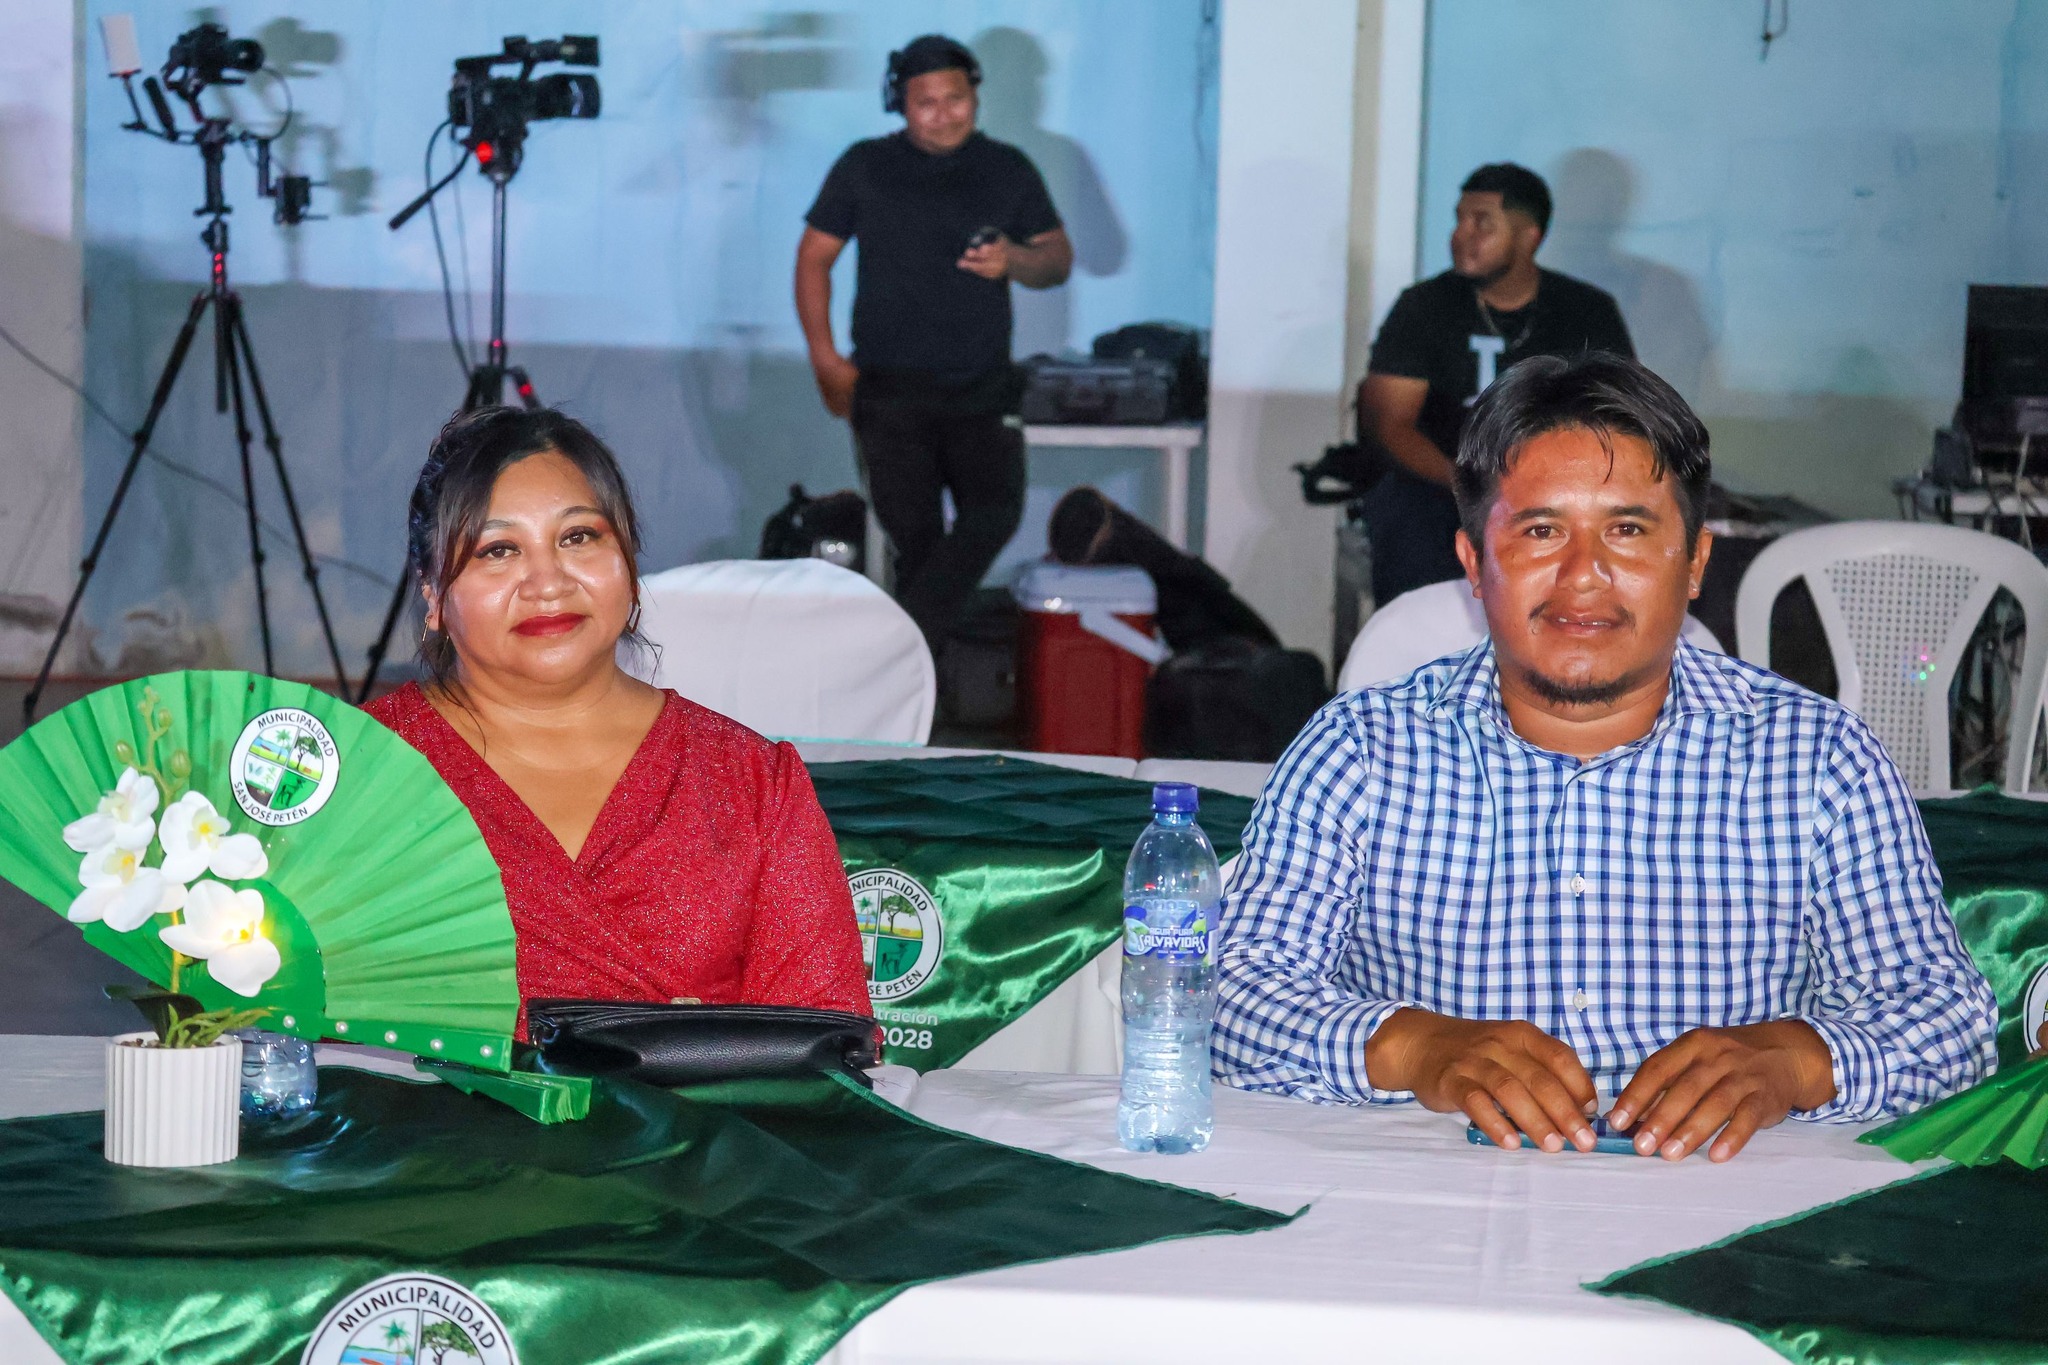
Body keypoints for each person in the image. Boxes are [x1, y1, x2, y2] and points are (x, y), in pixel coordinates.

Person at [1215, 353, 1997, 1163]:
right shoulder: (1361, 752)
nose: (1583, 575)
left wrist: (1797, 1060)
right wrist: (1414, 1048)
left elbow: (1946, 1018)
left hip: (1729, 1203)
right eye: (1541, 530)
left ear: (1694, 563)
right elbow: (1229, 991)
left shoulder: (1816, 760)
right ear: (1475, 563)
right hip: (1439, 1199)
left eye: (1627, 530)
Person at [364, 406, 872, 1032]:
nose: (548, 582)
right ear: (433, 593)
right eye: (498, 550)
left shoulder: (752, 781)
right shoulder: (360, 772)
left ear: (628, 558)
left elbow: (819, 1042)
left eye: (579, 537)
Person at [795, 34, 1073, 645]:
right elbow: (814, 258)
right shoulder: (865, 165)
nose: (945, 114)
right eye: (927, 103)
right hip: (890, 389)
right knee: (915, 539)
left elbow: (1056, 260)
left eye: (956, 98)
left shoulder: (1007, 167)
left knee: (994, 515)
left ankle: (897, 653)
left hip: (982, 382)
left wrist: (1014, 260)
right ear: (899, 103)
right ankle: (927, 682)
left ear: (975, 95)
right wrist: (824, 359)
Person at [1357, 163, 1634, 605]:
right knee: (1404, 510)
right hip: (1442, 489)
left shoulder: (1586, 311)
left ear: (1529, 237)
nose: (1461, 235)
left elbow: (1619, 417)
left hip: (1555, 493)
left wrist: (1540, 488)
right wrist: (1468, 484)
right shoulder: (1423, 306)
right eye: (1459, 220)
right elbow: (1390, 424)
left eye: (1482, 223)